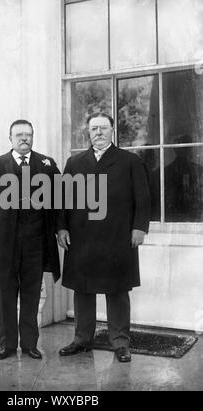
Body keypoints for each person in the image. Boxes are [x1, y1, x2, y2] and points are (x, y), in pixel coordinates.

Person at [57, 113, 151, 363]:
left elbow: (143, 198)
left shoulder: (130, 161)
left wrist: (139, 228)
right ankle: (82, 339)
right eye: (94, 128)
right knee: (82, 289)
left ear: (112, 131)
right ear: (88, 132)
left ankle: (120, 343)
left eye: (103, 128)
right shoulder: (74, 163)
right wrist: (62, 228)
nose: (98, 132)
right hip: (81, 238)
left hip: (118, 237)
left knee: (117, 290)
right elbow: (63, 200)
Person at [0, 119, 60, 360]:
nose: (24, 138)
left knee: (31, 293)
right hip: (5, 243)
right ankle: (7, 345)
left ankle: (29, 345)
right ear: (10, 138)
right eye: (19, 135)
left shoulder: (46, 164)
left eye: (28, 135)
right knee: (5, 292)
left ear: (33, 137)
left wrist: (60, 229)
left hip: (35, 242)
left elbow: (59, 201)